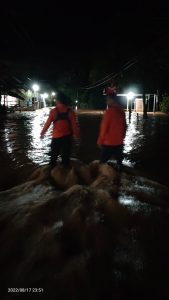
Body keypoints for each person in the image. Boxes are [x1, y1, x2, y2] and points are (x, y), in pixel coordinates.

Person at [40, 92, 80, 168]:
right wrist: (77, 137)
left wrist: (42, 133)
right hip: (67, 138)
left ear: (58, 100)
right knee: (65, 159)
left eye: (56, 100)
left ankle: (51, 173)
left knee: (53, 158)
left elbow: (47, 124)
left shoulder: (53, 111)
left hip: (56, 138)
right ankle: (65, 174)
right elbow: (75, 126)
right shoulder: (70, 112)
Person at [97, 94, 126, 171]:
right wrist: (122, 137)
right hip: (119, 143)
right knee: (119, 162)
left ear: (112, 100)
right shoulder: (121, 112)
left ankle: (101, 177)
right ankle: (120, 178)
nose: (106, 101)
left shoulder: (109, 112)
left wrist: (100, 141)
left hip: (108, 143)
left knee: (102, 162)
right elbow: (124, 126)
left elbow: (104, 128)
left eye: (107, 99)